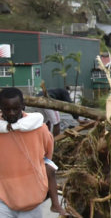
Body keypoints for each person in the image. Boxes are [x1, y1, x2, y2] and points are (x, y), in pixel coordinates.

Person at [0, 88, 64, 216]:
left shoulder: (39, 128)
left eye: (16, 108)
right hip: (3, 199)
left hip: (32, 200)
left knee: (49, 168)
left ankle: (55, 205)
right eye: (6, 109)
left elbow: (47, 153)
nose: (11, 113)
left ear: (23, 106)